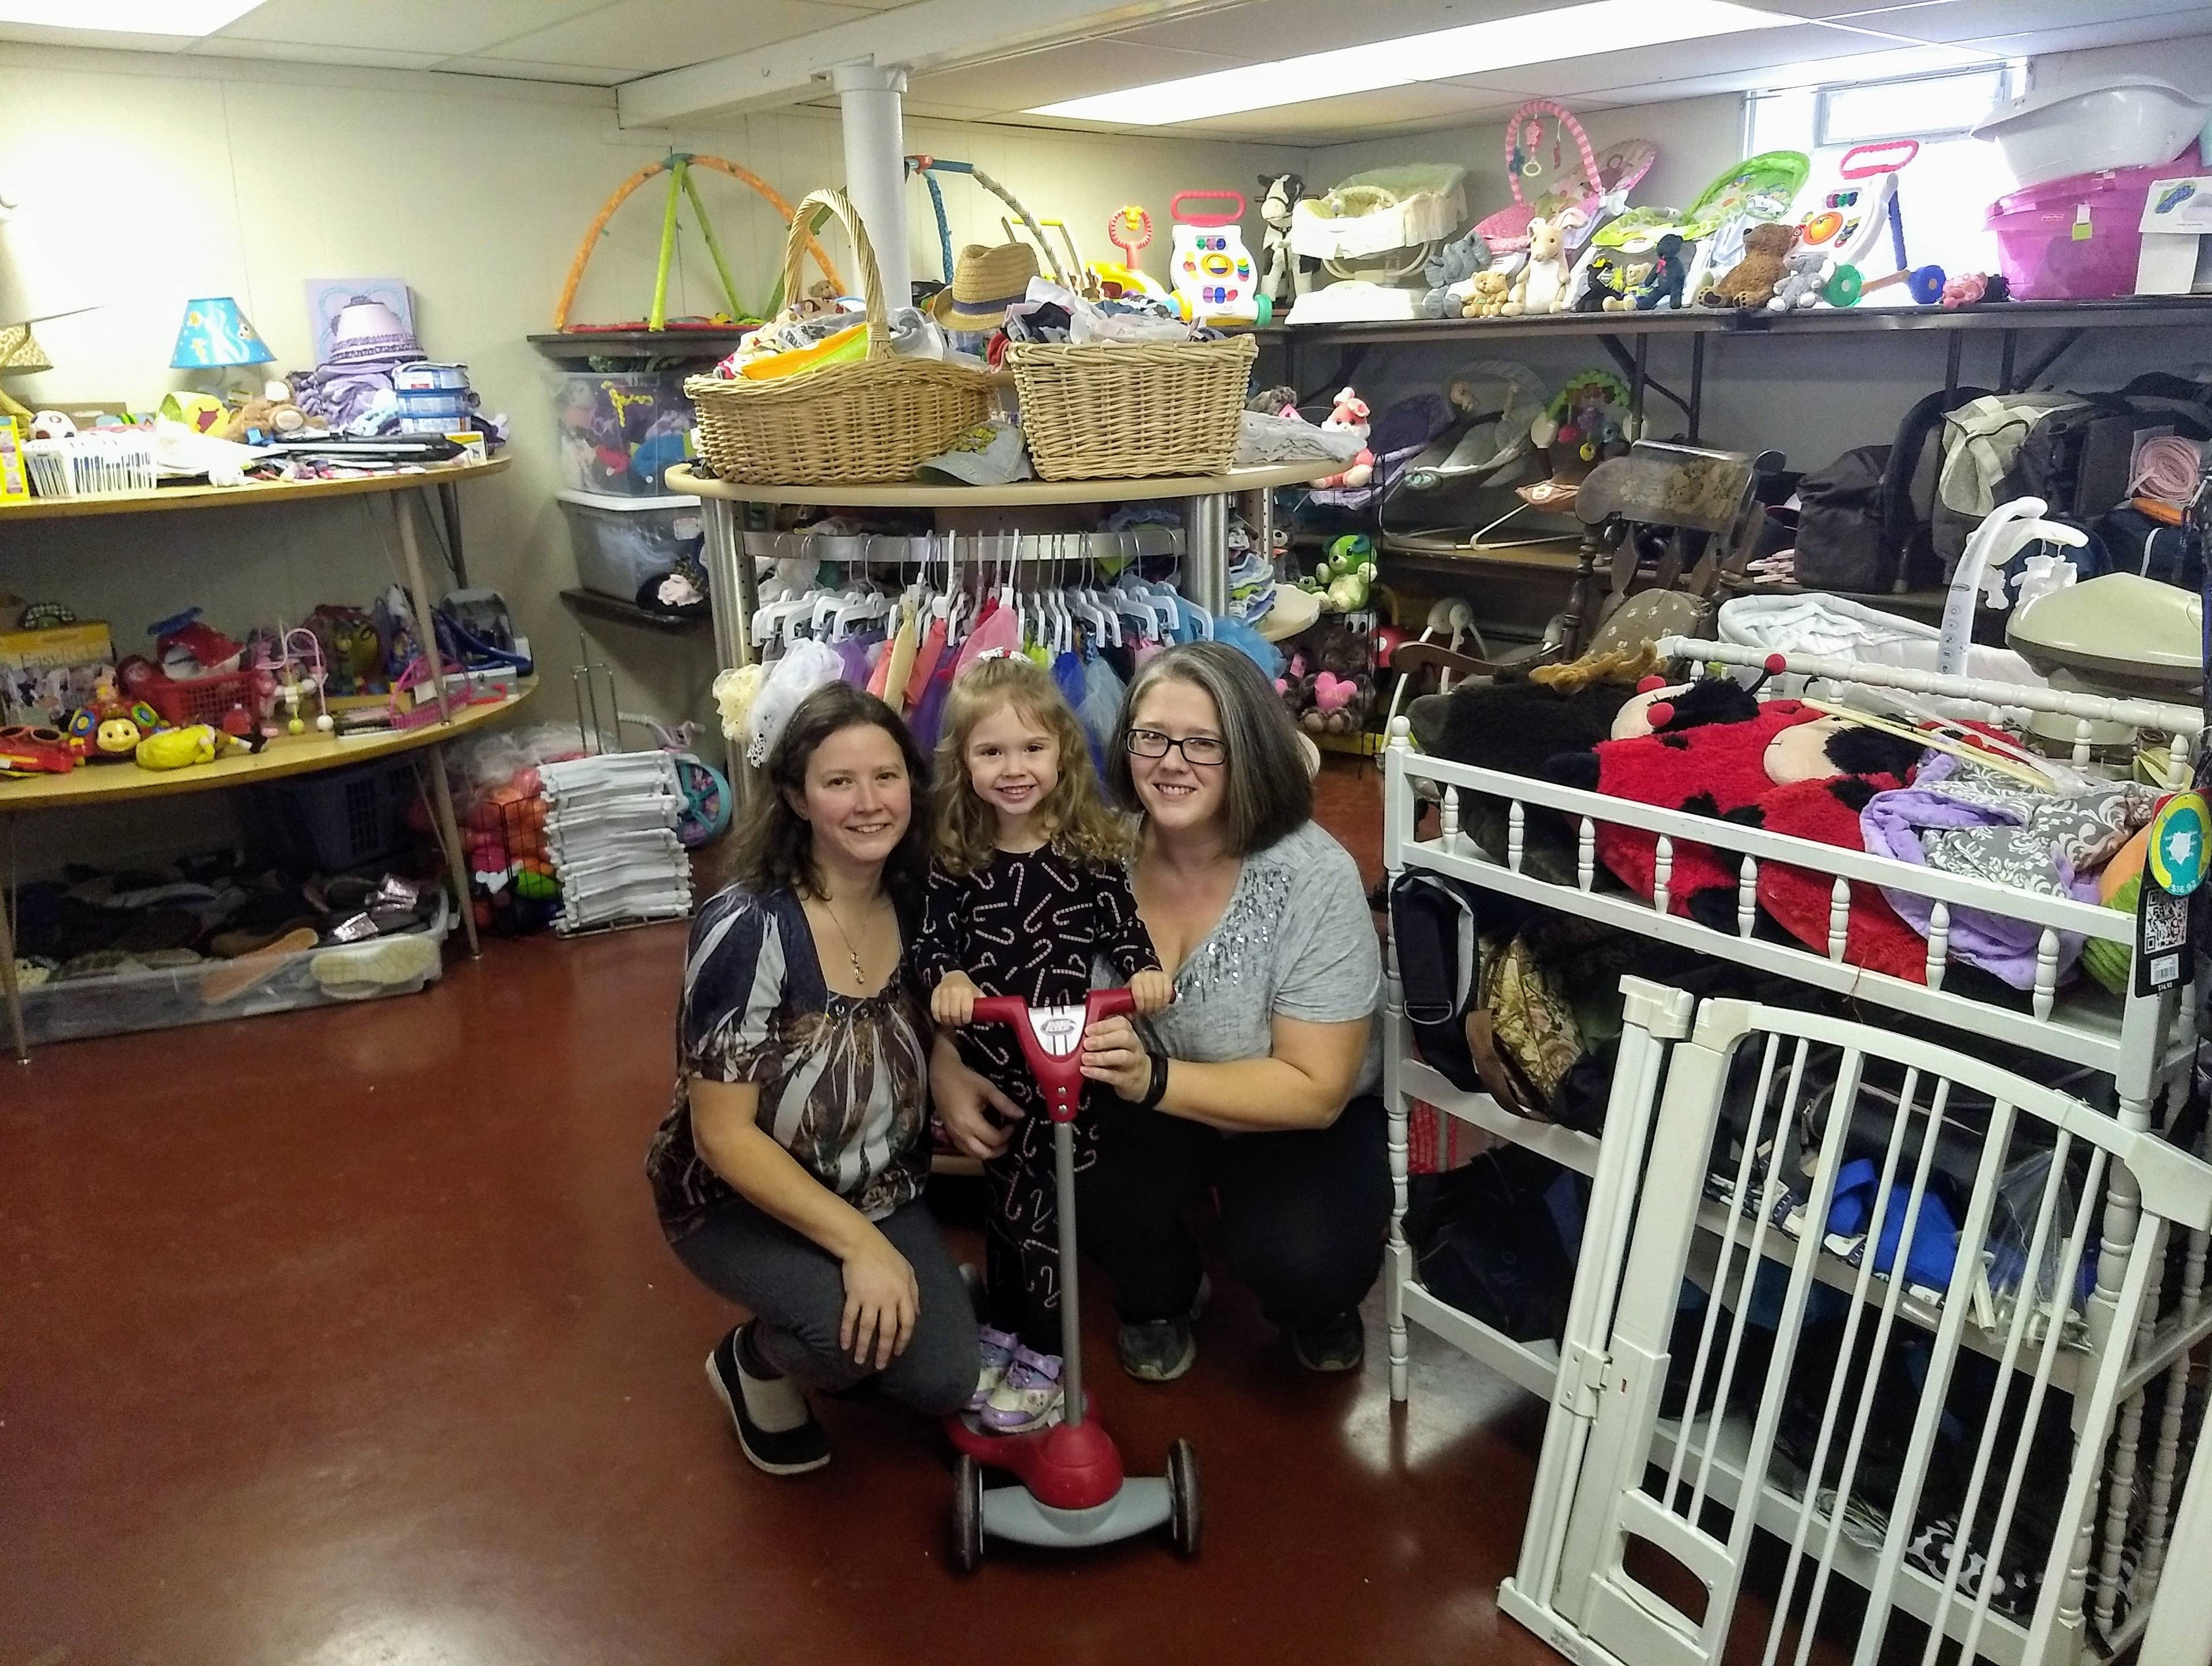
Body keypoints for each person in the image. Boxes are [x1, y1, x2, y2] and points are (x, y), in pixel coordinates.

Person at [930, 641, 1388, 1383]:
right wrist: (947, 1060)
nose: (1172, 763)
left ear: (1249, 751)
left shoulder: (1311, 876)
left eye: (1204, 743)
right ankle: (1158, 1296)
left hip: (1289, 1116)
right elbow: (999, 962)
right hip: (1137, 1097)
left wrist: (1152, 1080)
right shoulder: (1092, 850)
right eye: (1152, 738)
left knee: (1305, 1260)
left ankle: (1317, 1303)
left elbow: (1317, 1089)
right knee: (1069, 1170)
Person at [646, 682, 977, 1476]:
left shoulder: (914, 893)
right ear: (796, 798)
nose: (869, 803)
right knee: (845, 1342)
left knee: (943, 1379)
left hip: (878, 1181)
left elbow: (928, 1008)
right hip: (739, 1203)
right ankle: (753, 1361)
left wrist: (947, 1060)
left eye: (887, 777)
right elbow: (721, 1135)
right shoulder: (749, 926)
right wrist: (860, 1246)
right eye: (839, 783)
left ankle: (874, 1297)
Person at [915, 653, 1172, 1434]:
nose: (1014, 768)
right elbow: (933, 946)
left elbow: (1125, 932)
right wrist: (952, 978)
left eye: (1031, 749)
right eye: (991, 752)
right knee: (1002, 1211)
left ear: (1062, 752)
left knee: (1044, 1218)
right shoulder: (957, 860)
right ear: (963, 763)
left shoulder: (1088, 855)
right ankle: (1001, 1326)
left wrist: (1146, 973)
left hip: (1067, 1072)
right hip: (996, 1067)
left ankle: (1045, 1350)